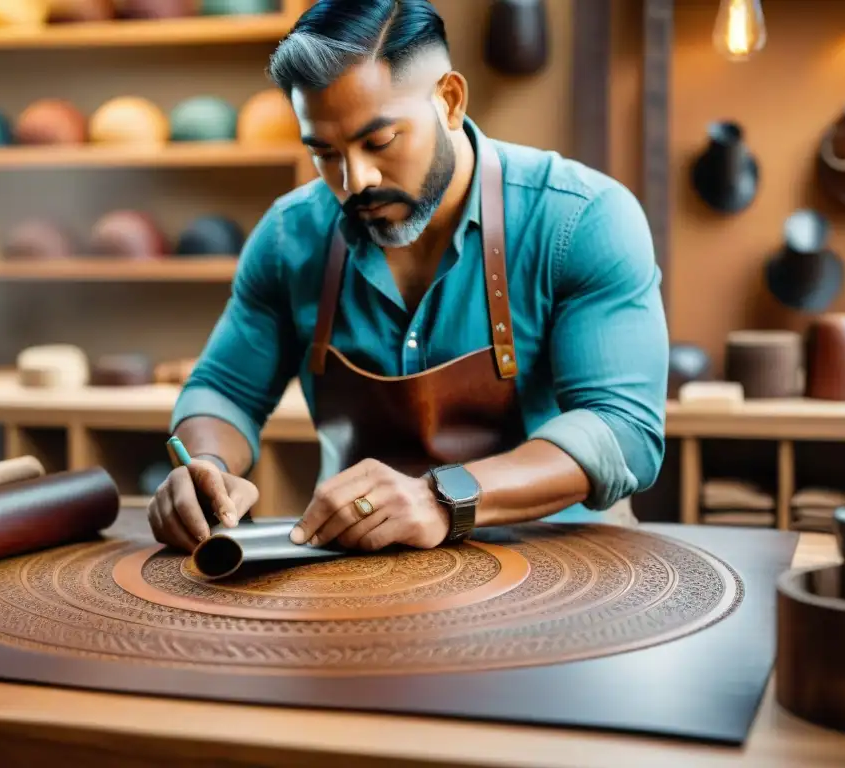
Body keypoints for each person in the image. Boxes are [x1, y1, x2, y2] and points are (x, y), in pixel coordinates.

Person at [147, 0, 668, 554]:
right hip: (360, 570)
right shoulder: (287, 238)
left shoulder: (580, 218)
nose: (355, 180)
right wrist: (204, 462)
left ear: (449, 100)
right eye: (324, 152)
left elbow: (624, 430)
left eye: (380, 142)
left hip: (556, 561)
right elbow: (224, 390)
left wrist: (444, 497)